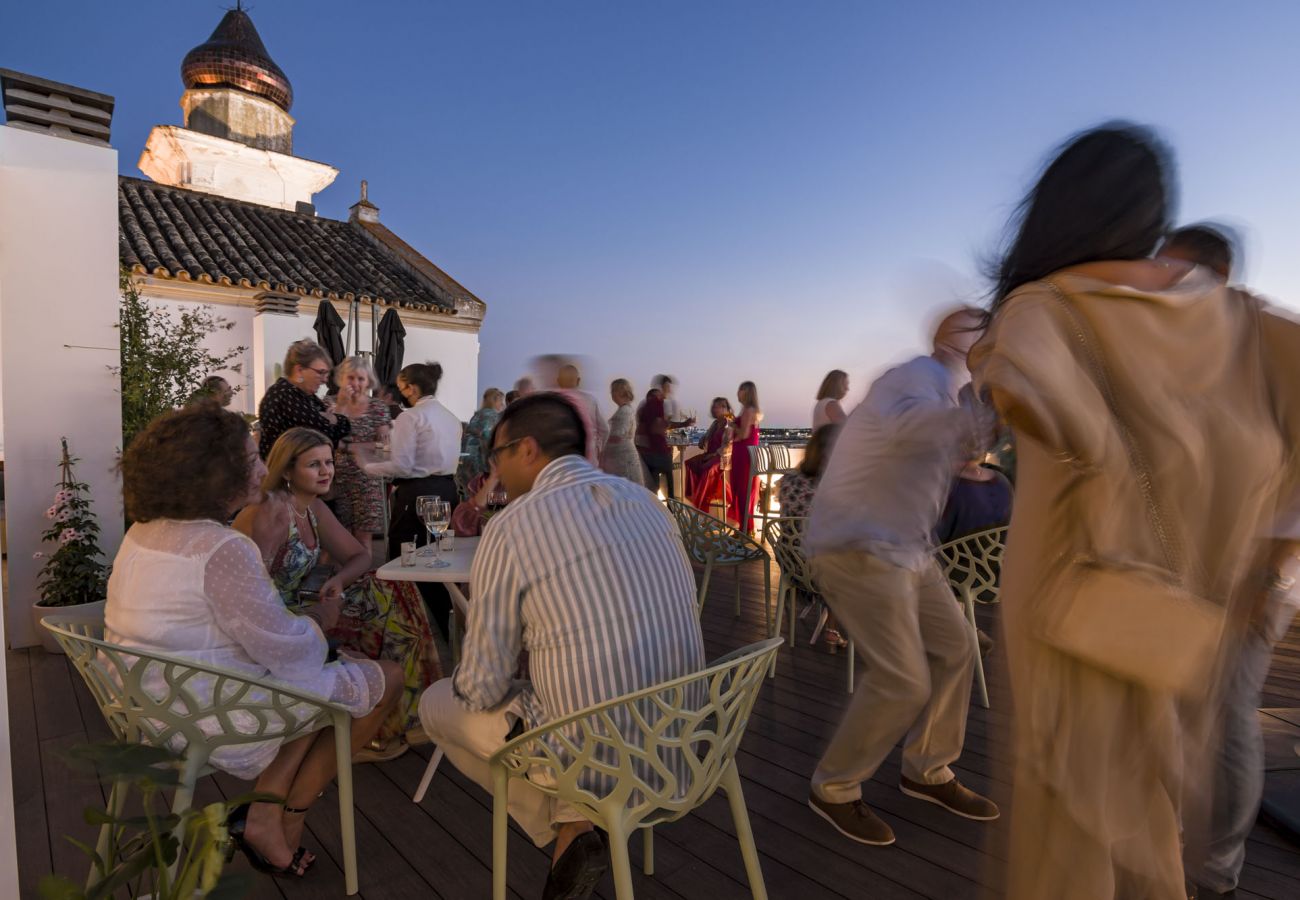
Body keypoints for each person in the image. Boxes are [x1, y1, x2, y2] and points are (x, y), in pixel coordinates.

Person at [970, 124, 1300, 900]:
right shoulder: (1233, 319)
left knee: (1069, 825)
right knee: (1151, 804)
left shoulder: (1044, 311)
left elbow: (1024, 390)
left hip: (1067, 608)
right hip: (1178, 612)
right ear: (1152, 214)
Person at [418, 393, 706, 900]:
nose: (494, 472)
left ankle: (570, 826)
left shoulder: (511, 528)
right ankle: (574, 825)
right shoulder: (646, 502)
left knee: (439, 704)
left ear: (526, 449)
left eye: (497, 456)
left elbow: (482, 688)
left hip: (602, 761)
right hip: (686, 743)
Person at [106, 404, 402, 878]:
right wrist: (322, 619)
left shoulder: (143, 533)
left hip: (147, 701)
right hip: (209, 713)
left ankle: (266, 812)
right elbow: (290, 652)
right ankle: (281, 813)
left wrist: (310, 637)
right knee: (382, 677)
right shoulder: (220, 547)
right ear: (214, 474)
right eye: (250, 460)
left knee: (325, 672)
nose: (264, 469)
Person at [805, 307, 994, 848]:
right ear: (963, 344)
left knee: (956, 649)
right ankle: (834, 788)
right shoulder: (915, 377)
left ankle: (927, 770)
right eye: (988, 336)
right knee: (903, 678)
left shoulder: (949, 394)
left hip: (908, 547)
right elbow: (914, 427)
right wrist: (975, 423)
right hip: (856, 543)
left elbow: (926, 450)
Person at [1155, 224, 1300, 900]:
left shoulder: (1271, 340)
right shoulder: (1192, 353)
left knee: (1224, 715)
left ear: (1214, 272)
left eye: (1171, 270)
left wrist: (1273, 570)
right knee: (1187, 711)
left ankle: (1214, 873)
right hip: (1188, 566)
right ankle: (1185, 843)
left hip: (1254, 567)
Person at [235, 426, 441, 761]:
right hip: (274, 620)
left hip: (305, 604)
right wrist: (313, 612)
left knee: (392, 586)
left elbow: (359, 555)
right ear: (287, 469)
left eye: (328, 462)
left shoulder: (311, 508)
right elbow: (252, 589)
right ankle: (383, 717)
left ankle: (390, 715)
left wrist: (339, 581)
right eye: (313, 464)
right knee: (384, 601)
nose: (326, 471)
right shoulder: (272, 510)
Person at [355, 362, 462, 635]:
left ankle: (408, 626)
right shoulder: (450, 417)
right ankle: (445, 624)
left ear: (412, 388)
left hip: (416, 495)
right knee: (440, 559)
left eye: (402, 388)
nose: (400, 393)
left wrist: (367, 466)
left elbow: (402, 467)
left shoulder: (410, 417)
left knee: (406, 560)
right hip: (448, 492)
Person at [776, 424, 846, 649]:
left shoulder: (788, 479)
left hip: (791, 566)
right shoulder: (831, 487)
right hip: (821, 573)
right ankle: (835, 628)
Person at [326, 356, 391, 548]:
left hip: (367, 482)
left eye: (361, 379)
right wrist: (341, 407)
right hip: (334, 480)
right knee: (338, 541)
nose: (355, 383)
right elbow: (326, 439)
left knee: (363, 540)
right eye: (351, 378)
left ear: (369, 381)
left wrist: (353, 447)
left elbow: (383, 448)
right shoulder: (329, 404)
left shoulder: (377, 407)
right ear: (341, 379)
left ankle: (363, 578)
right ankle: (343, 578)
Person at [258, 340, 351, 458]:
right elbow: (327, 435)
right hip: (286, 473)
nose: (325, 380)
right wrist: (335, 418)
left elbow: (341, 429)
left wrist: (333, 419)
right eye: (321, 372)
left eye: (326, 374)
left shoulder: (305, 395)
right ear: (299, 370)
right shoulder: (284, 394)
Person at [684, 397, 734, 512]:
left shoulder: (730, 423)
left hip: (722, 457)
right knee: (690, 464)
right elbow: (708, 436)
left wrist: (714, 455)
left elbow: (729, 445)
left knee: (708, 469)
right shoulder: (716, 423)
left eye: (718, 407)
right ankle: (694, 496)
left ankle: (701, 505)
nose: (715, 409)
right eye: (714, 407)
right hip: (710, 454)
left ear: (725, 408)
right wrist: (702, 440)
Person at [555, 362, 609, 462]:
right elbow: (604, 430)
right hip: (589, 458)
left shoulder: (552, 403)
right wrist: (597, 449)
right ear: (578, 380)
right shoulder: (591, 400)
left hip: (562, 461)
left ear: (558, 381)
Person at [729, 381, 763, 532]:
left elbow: (744, 434)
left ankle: (744, 530)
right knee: (744, 491)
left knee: (742, 491)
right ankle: (745, 528)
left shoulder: (749, 410)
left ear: (747, 392)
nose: (737, 392)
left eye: (740, 389)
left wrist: (732, 424)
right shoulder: (749, 410)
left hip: (743, 454)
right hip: (745, 453)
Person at [600, 377, 647, 485]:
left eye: (613, 391)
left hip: (623, 460)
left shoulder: (624, 411)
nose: (611, 394)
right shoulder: (625, 409)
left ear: (619, 392)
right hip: (620, 458)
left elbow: (618, 435)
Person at [463, 387, 505, 483]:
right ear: (494, 401)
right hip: (481, 463)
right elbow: (490, 440)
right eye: (500, 401)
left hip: (467, 462)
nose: (502, 404)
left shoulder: (476, 416)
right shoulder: (493, 417)